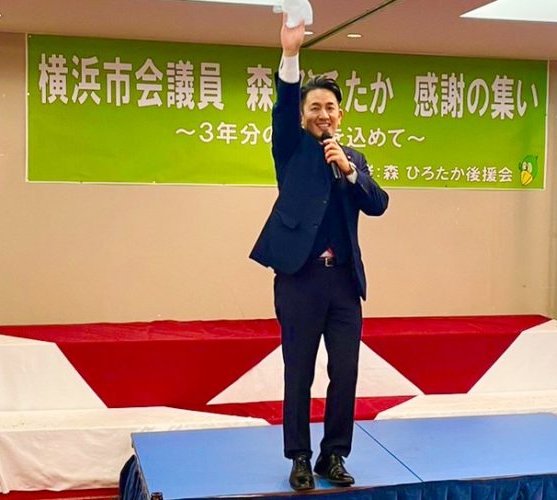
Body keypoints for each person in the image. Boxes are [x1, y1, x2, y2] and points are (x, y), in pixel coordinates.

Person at [250, 15, 389, 491]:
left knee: (345, 373)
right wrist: (290, 54)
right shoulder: (291, 148)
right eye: (314, 107)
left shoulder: (353, 159)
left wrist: (350, 170)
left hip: (344, 283)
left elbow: (378, 204)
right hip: (300, 280)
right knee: (299, 373)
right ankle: (299, 458)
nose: (322, 114)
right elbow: (284, 104)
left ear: (340, 115)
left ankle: (335, 455)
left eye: (330, 107)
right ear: (304, 114)